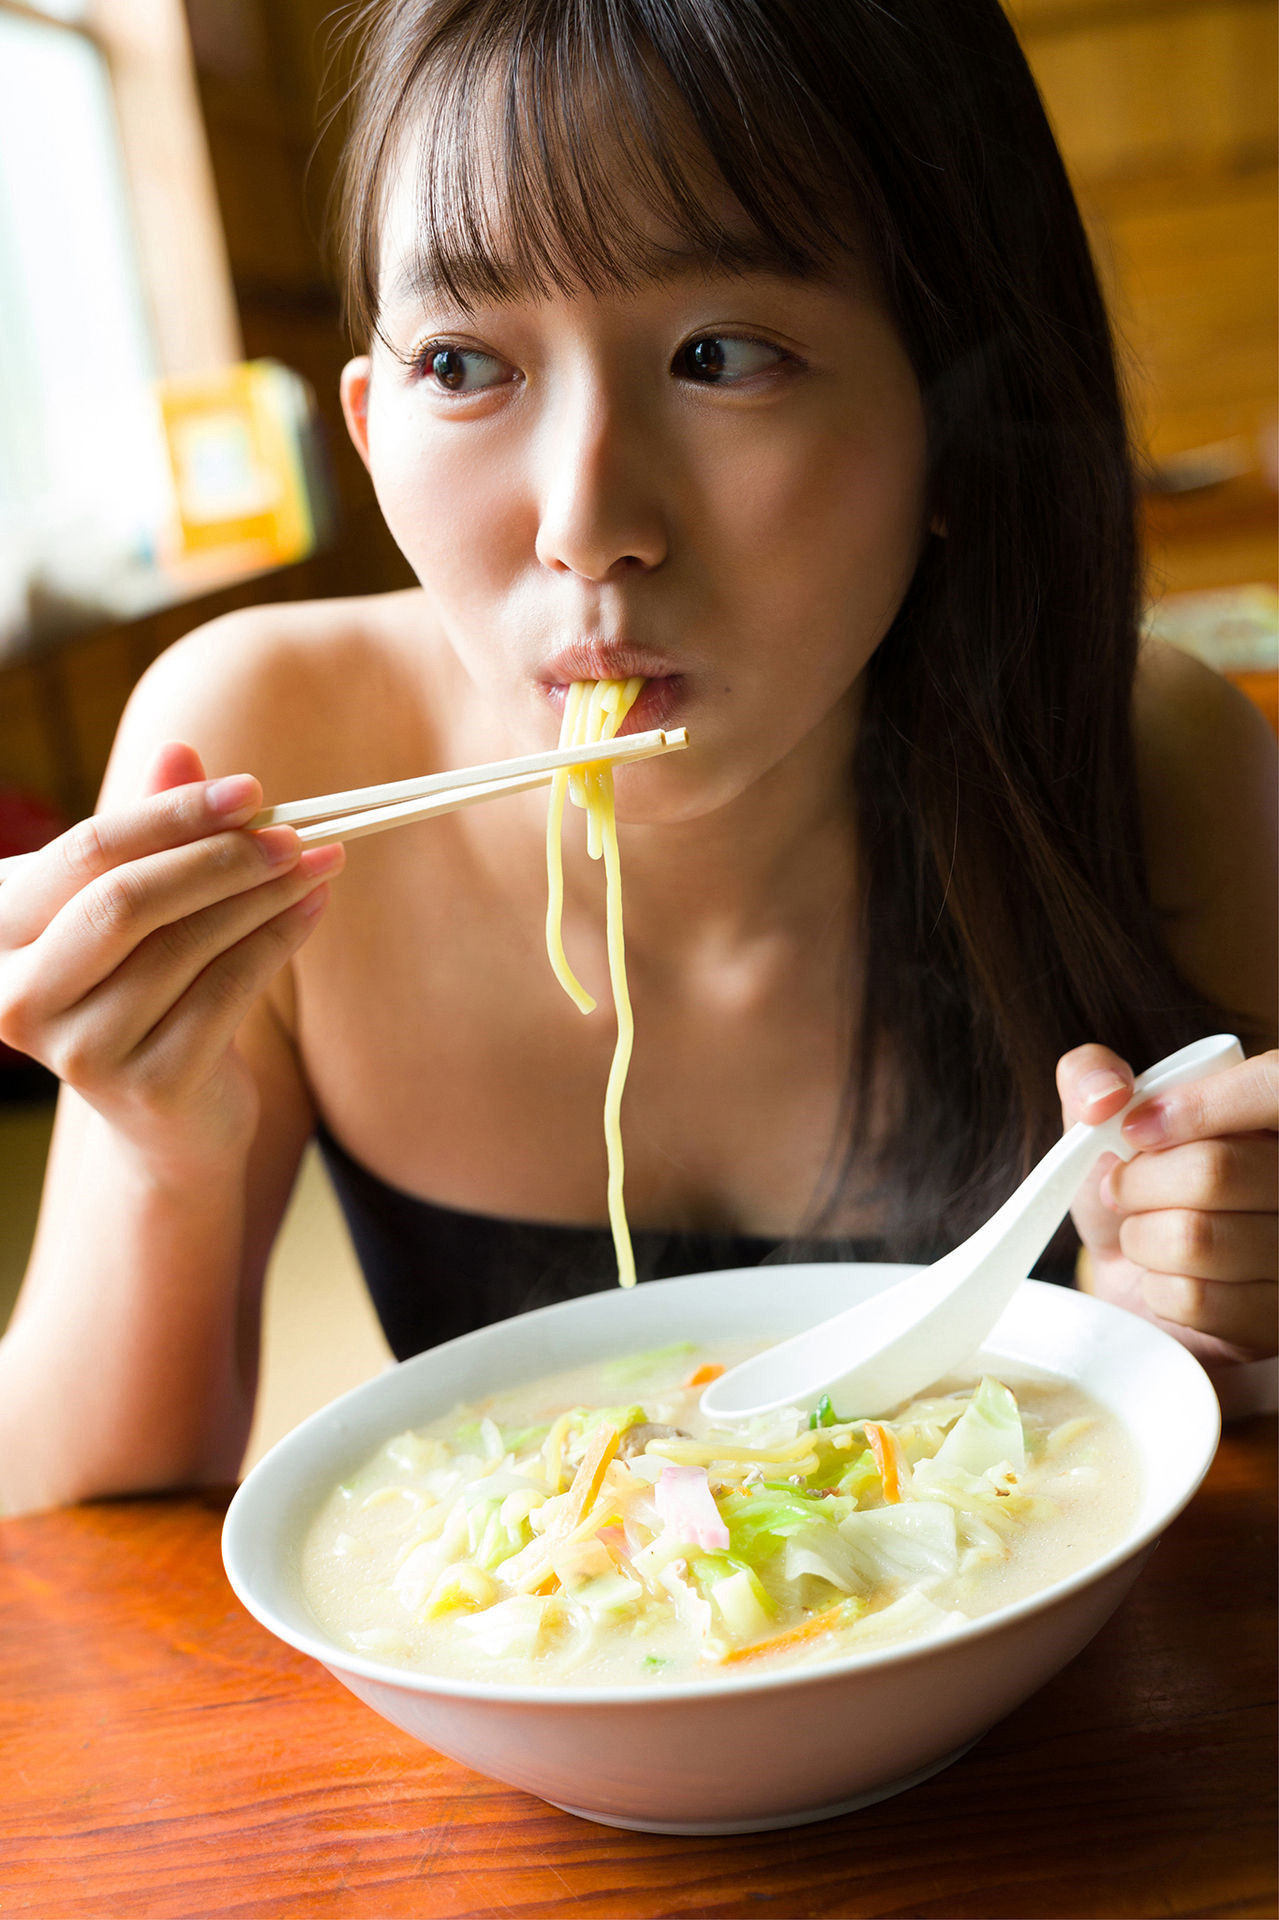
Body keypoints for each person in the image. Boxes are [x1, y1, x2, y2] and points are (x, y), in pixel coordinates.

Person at [0, 0, 1274, 1515]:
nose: (584, 519)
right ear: (368, 422)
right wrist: (159, 1142)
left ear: (956, 427)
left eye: (720, 354)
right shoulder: (260, 744)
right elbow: (83, 1534)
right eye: (467, 365)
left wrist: (1236, 1332)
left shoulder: (1151, 762)